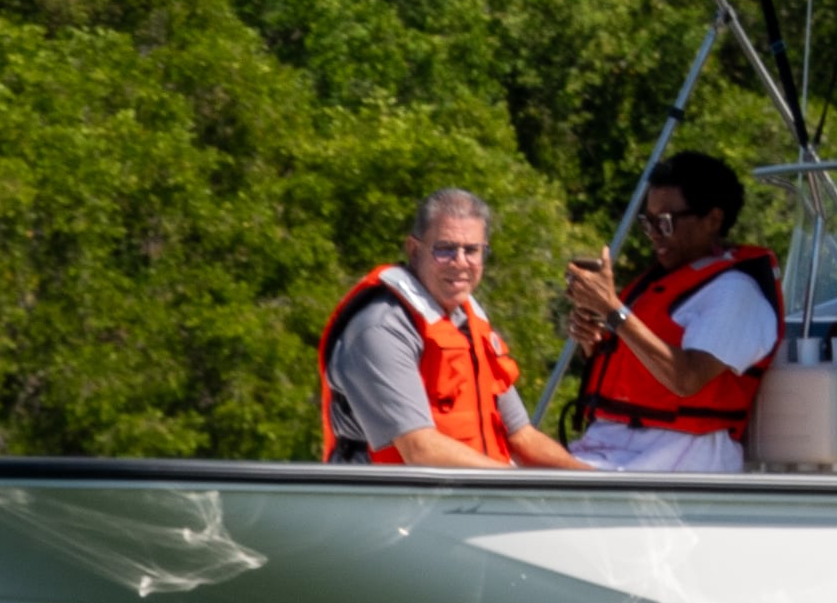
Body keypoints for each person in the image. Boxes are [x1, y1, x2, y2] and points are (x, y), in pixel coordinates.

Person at [319, 189, 584, 469]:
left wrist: (594, 482)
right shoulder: (381, 328)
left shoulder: (469, 325)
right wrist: (513, 485)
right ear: (414, 250)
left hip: (472, 489)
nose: (460, 262)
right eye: (445, 249)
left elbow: (522, 437)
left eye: (471, 250)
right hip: (393, 492)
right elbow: (419, 449)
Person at [551, 151, 778, 473]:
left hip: (681, 454)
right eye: (649, 222)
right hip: (612, 446)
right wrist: (593, 340)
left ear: (713, 220)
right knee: (508, 455)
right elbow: (635, 369)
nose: (654, 233)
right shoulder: (657, 285)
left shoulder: (736, 292)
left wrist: (613, 311)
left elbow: (687, 379)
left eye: (666, 222)